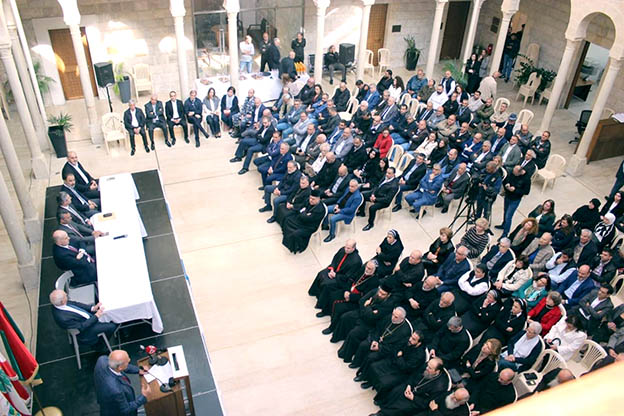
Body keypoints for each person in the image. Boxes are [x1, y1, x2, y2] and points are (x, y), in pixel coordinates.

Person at [370, 357, 450, 416]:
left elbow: (428, 403)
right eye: (427, 365)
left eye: (430, 368)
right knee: (396, 391)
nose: (426, 368)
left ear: (437, 371)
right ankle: (384, 406)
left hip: (418, 400)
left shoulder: (440, 387)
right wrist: (409, 385)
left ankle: (381, 414)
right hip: (412, 387)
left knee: (401, 407)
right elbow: (414, 374)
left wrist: (413, 398)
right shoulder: (427, 366)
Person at [360, 330, 427, 396]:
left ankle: (380, 396)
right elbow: (395, 349)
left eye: (413, 339)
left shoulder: (419, 355)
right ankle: (370, 382)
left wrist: (399, 357)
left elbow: (406, 367)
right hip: (394, 361)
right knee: (373, 366)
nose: (410, 339)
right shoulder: (407, 340)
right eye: (411, 337)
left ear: (419, 343)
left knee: (384, 382)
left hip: (402, 372)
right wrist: (397, 356)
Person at [50, 289, 117, 347]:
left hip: (86, 317)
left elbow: (76, 304)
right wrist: (96, 316)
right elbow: (82, 327)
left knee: (107, 312)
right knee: (112, 326)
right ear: (62, 301)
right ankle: (100, 345)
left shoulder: (60, 303)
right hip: (86, 329)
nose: (67, 295)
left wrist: (92, 308)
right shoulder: (63, 318)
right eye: (65, 296)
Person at [94, 350, 150, 416]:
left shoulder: (102, 360)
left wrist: (138, 370)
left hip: (105, 399)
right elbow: (126, 409)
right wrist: (143, 396)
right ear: (120, 367)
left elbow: (121, 366)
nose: (130, 359)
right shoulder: (116, 390)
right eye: (127, 362)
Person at [497, 165, 531, 237]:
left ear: (520, 172)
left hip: (515, 199)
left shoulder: (527, 179)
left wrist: (515, 190)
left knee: (508, 216)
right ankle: (504, 224)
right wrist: (507, 184)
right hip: (508, 195)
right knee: (505, 211)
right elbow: (507, 179)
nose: (513, 174)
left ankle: (505, 233)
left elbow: (526, 191)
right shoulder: (513, 173)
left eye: (515, 173)